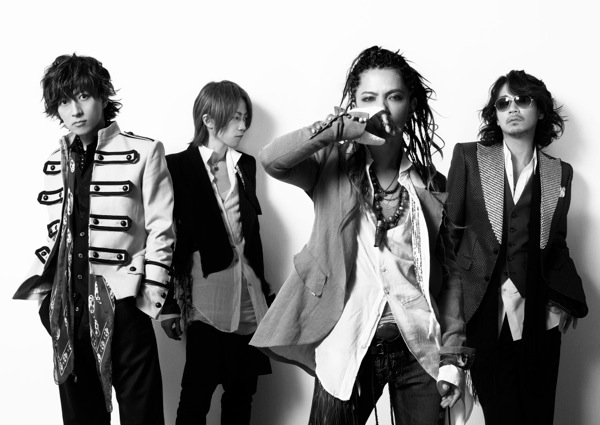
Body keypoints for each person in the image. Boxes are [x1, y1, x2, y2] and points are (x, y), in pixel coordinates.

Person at [250, 46, 473, 425]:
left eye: (394, 97)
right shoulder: (329, 166)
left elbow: (450, 276)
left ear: (411, 105)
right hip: (348, 344)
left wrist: (453, 355)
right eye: (369, 98)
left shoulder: (431, 183)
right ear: (353, 106)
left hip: (418, 348)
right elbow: (272, 159)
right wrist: (338, 129)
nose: (381, 108)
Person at [13, 54, 175, 425]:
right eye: (64, 101)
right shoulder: (54, 160)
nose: (75, 110)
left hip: (124, 303)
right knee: (81, 417)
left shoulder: (146, 151)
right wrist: (46, 301)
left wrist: (149, 299)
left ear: (102, 96)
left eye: (84, 96)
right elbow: (56, 236)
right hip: (68, 310)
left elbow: (162, 229)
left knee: (143, 416)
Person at [446, 70, 588, 425]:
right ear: (495, 115)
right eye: (503, 102)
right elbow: (449, 237)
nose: (512, 108)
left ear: (540, 110)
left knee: (539, 416)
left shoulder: (560, 172)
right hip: (484, 312)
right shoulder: (468, 157)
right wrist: (450, 314)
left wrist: (565, 299)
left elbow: (556, 245)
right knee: (500, 415)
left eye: (523, 100)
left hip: (541, 317)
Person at [160, 80, 272, 425]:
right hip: (206, 299)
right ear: (209, 120)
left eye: (245, 117)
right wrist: (168, 304)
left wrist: (266, 291)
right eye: (235, 117)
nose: (243, 125)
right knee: (195, 397)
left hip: (250, 297)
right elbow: (166, 238)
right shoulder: (176, 166)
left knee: (241, 395)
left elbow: (252, 235)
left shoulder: (246, 165)